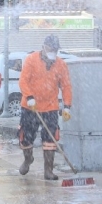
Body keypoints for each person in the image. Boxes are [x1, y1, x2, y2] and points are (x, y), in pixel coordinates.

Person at [18, 34, 73, 180]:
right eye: (50, 48)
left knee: (50, 140)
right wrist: (29, 97)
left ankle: (48, 170)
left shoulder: (61, 64)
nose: (53, 52)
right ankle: (28, 159)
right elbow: (23, 80)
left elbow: (66, 86)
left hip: (50, 107)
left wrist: (67, 106)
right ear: (44, 47)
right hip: (31, 107)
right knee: (26, 138)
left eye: (55, 49)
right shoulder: (31, 60)